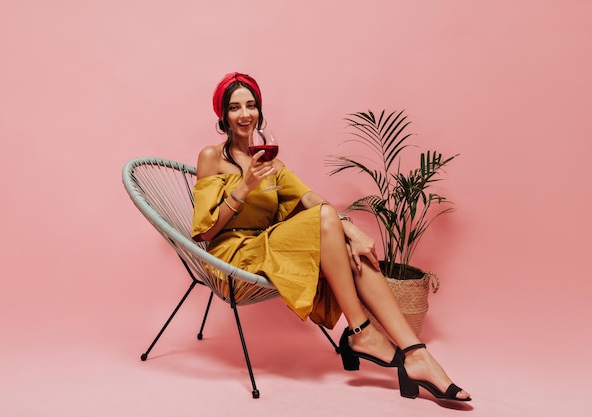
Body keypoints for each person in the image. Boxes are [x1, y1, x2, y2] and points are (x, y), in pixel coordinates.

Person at [191, 72, 471, 402]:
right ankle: (361, 332)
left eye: (251, 105)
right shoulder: (212, 157)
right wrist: (244, 187)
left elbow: (309, 198)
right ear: (222, 115)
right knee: (328, 221)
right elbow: (205, 233)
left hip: (268, 248)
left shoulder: (271, 163)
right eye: (235, 107)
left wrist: (352, 231)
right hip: (231, 256)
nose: (244, 114)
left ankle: (416, 354)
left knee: (351, 246)